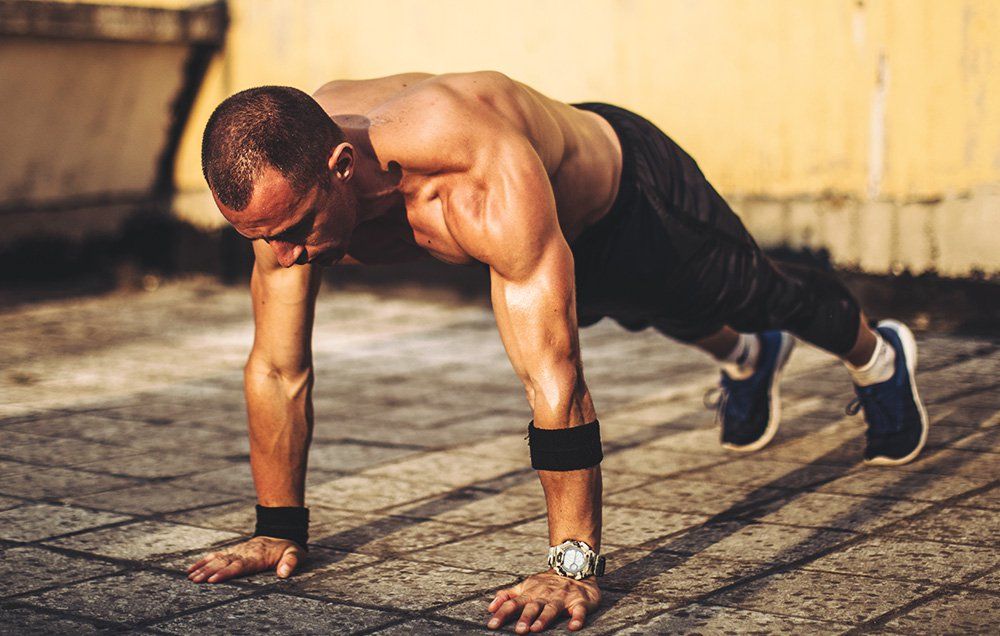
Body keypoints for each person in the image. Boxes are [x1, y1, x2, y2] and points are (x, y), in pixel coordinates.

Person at [185, 71, 928, 633]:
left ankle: (879, 355)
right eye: (260, 238)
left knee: (751, 293)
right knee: (647, 309)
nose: (281, 257)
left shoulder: (471, 173)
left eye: (294, 231)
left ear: (343, 167)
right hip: (546, 235)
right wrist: (276, 529)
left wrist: (571, 566)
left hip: (633, 198)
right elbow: (278, 369)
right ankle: (748, 362)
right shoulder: (285, 184)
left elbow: (555, 378)